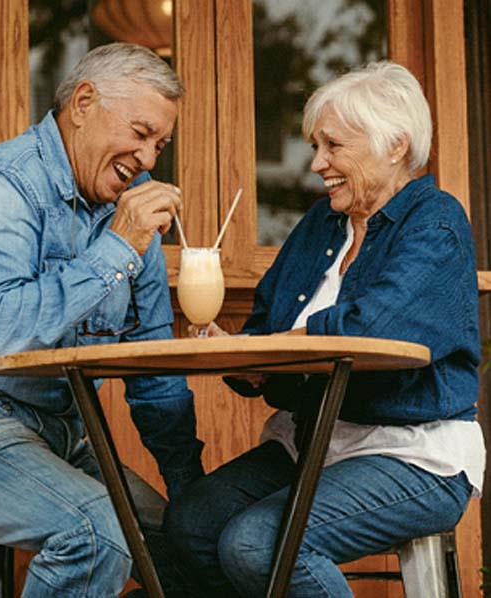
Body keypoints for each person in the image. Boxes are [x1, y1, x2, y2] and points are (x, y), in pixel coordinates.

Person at [164, 60, 485, 597]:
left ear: (395, 145)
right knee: (191, 524)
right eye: (315, 146)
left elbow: (370, 330)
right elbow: (266, 326)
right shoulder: (320, 225)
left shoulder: (436, 220)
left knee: (255, 543)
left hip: (411, 453)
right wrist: (244, 359)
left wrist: (270, 349)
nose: (317, 164)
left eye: (333, 146)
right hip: (312, 443)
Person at [0, 43, 204, 597]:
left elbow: (153, 368)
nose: (150, 159)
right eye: (139, 133)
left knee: (200, 550)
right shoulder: (1, 186)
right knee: (98, 535)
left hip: (58, 434)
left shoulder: (128, 213)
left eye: (160, 144)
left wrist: (190, 495)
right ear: (83, 102)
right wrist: (116, 248)